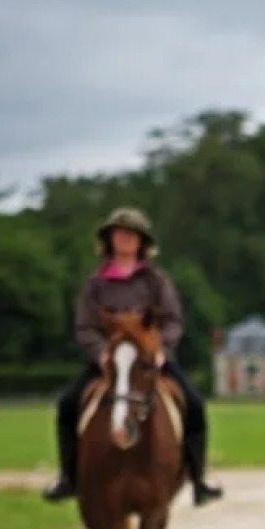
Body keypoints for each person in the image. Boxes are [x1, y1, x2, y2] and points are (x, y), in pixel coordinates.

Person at [42, 207, 223, 506]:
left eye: (132, 234)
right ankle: (68, 477)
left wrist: (162, 350)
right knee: (66, 405)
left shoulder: (156, 281)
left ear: (142, 242)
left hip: (151, 361)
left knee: (194, 403)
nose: (126, 239)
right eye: (120, 233)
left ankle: (198, 477)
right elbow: (84, 326)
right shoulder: (95, 285)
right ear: (110, 239)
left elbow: (173, 320)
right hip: (109, 363)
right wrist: (100, 354)